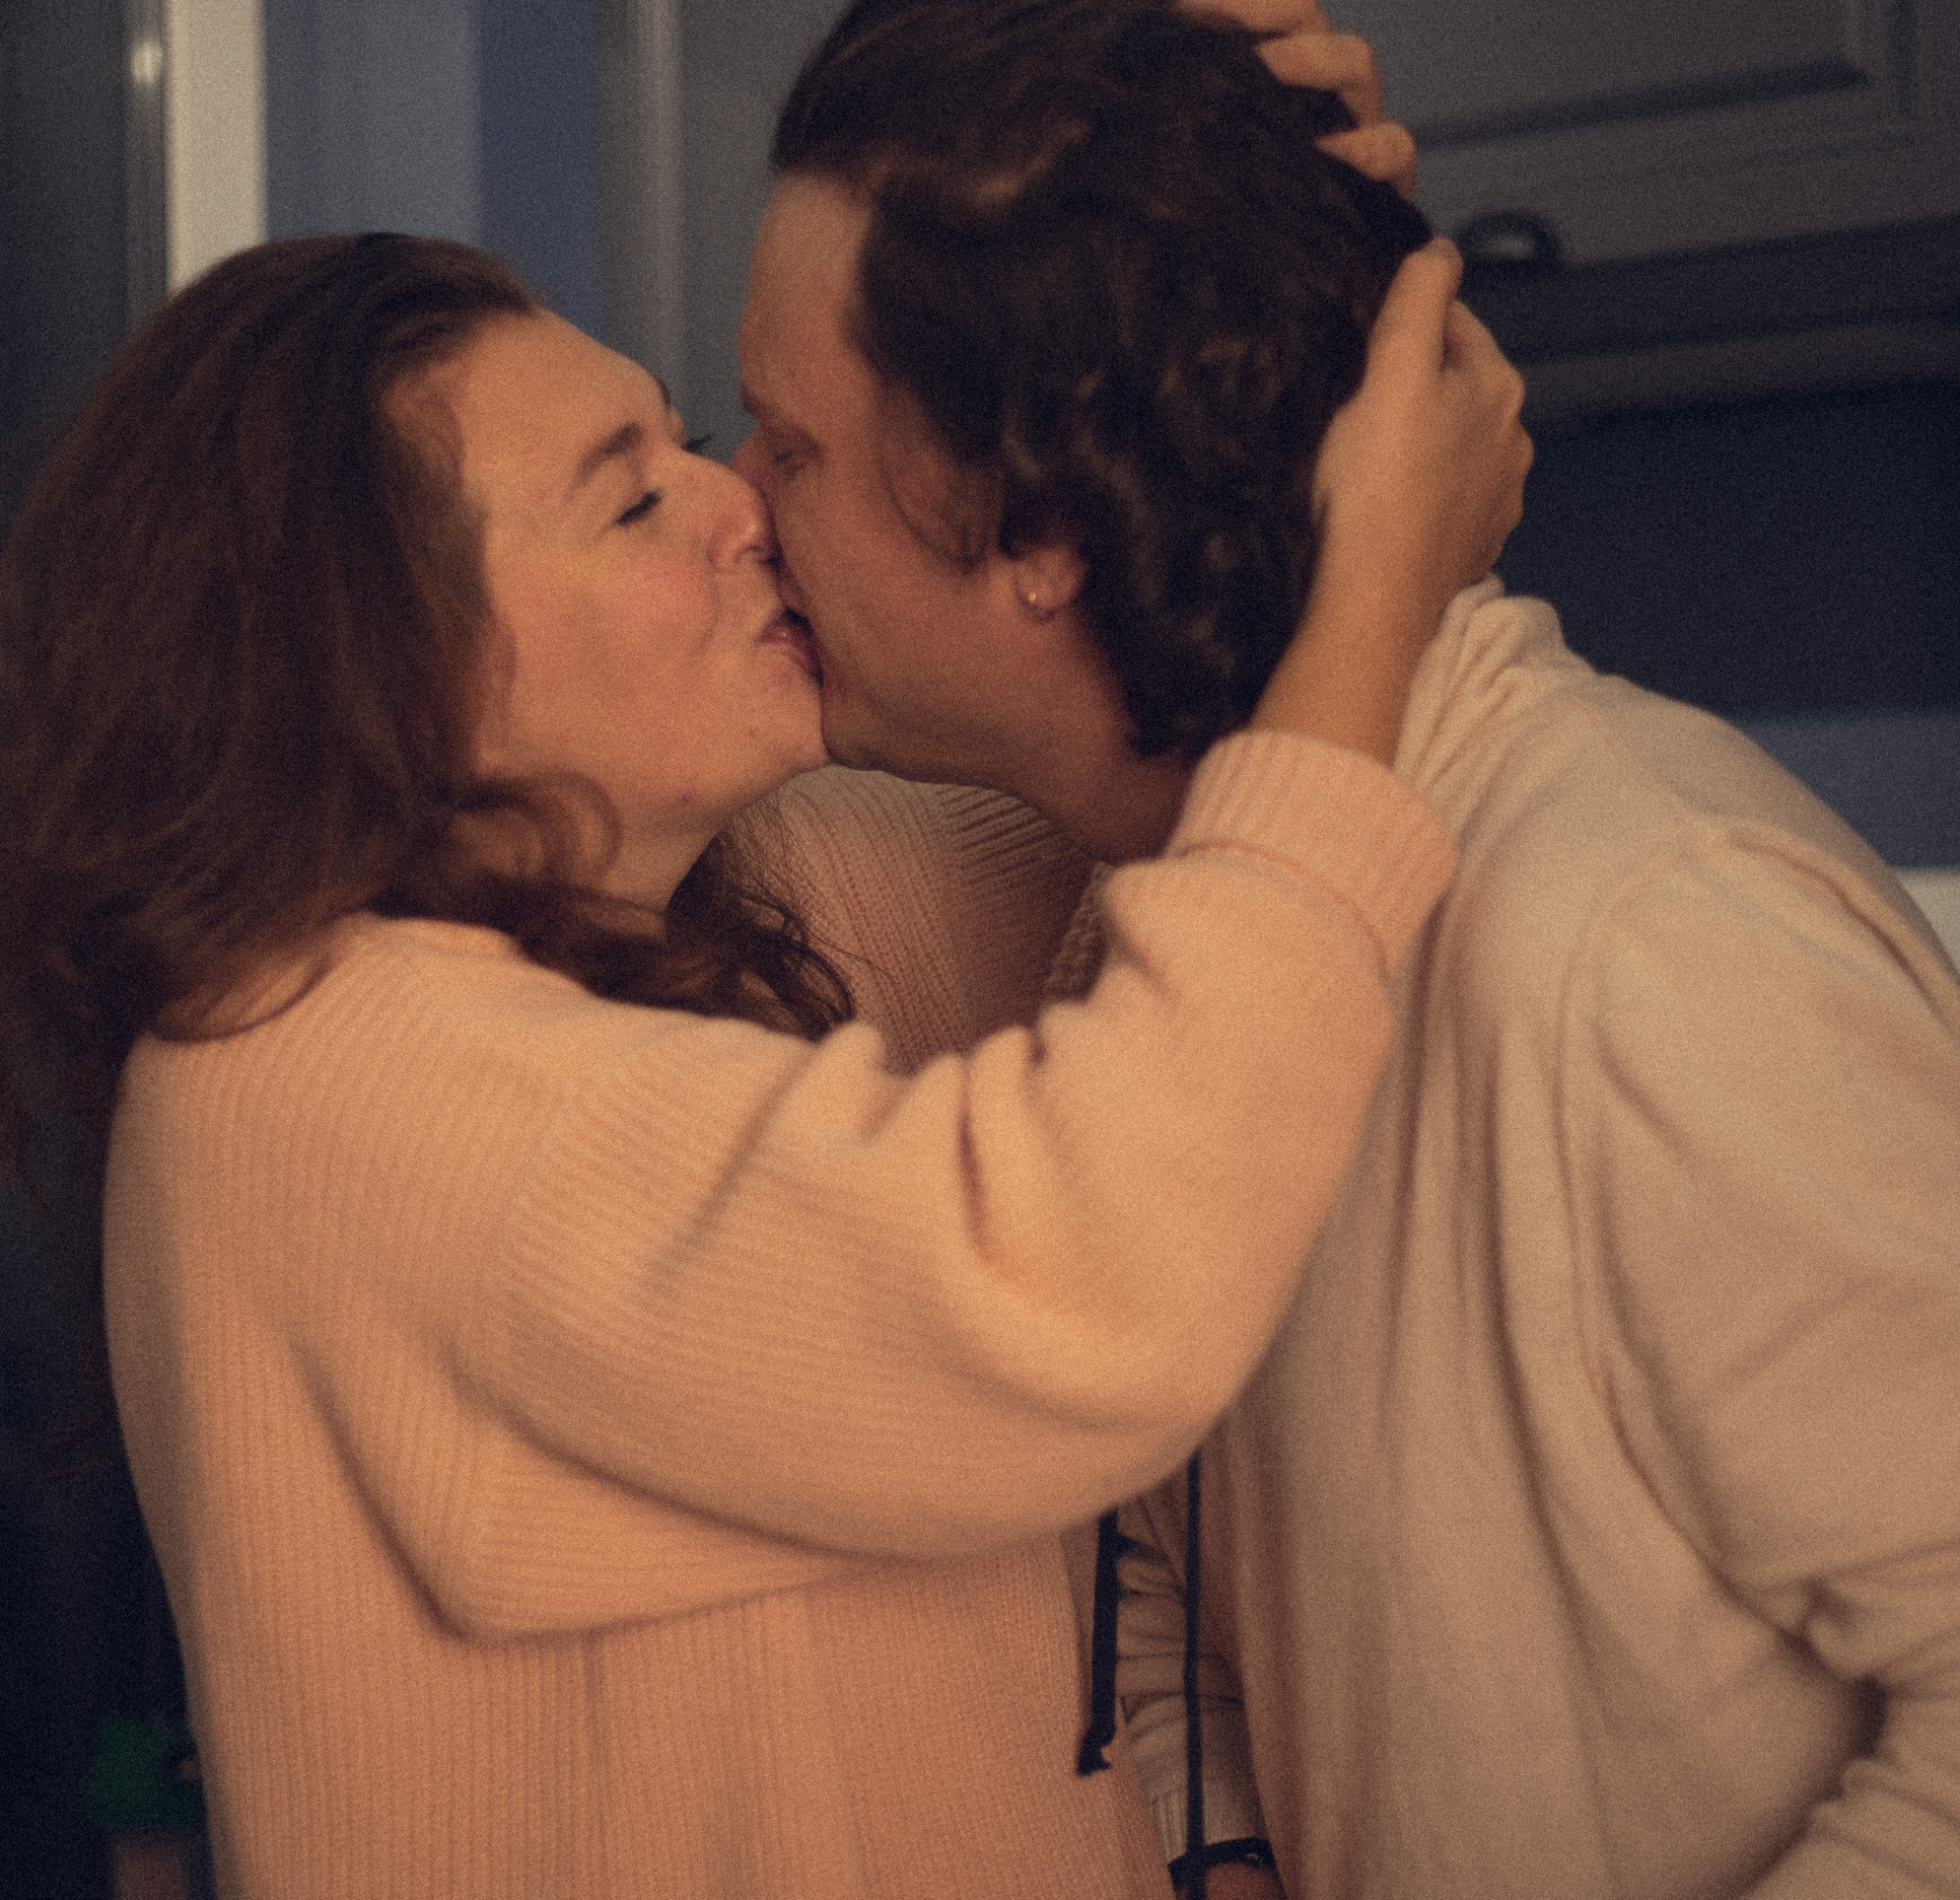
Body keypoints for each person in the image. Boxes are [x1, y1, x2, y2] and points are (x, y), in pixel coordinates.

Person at [736, 4, 1960, 1897]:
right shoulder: (1154, 919)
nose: (737, 504)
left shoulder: (1647, 929)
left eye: (789, 443)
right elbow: (1167, 1594)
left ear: (1044, 520)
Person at [0, 117, 1525, 1898]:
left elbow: (1168, 837)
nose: (746, 502)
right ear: (394, 677)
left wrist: (1226, 199)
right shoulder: (335, 1070)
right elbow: (1087, 1264)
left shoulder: (701, 912)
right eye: (637, 497)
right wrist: (1377, 585)